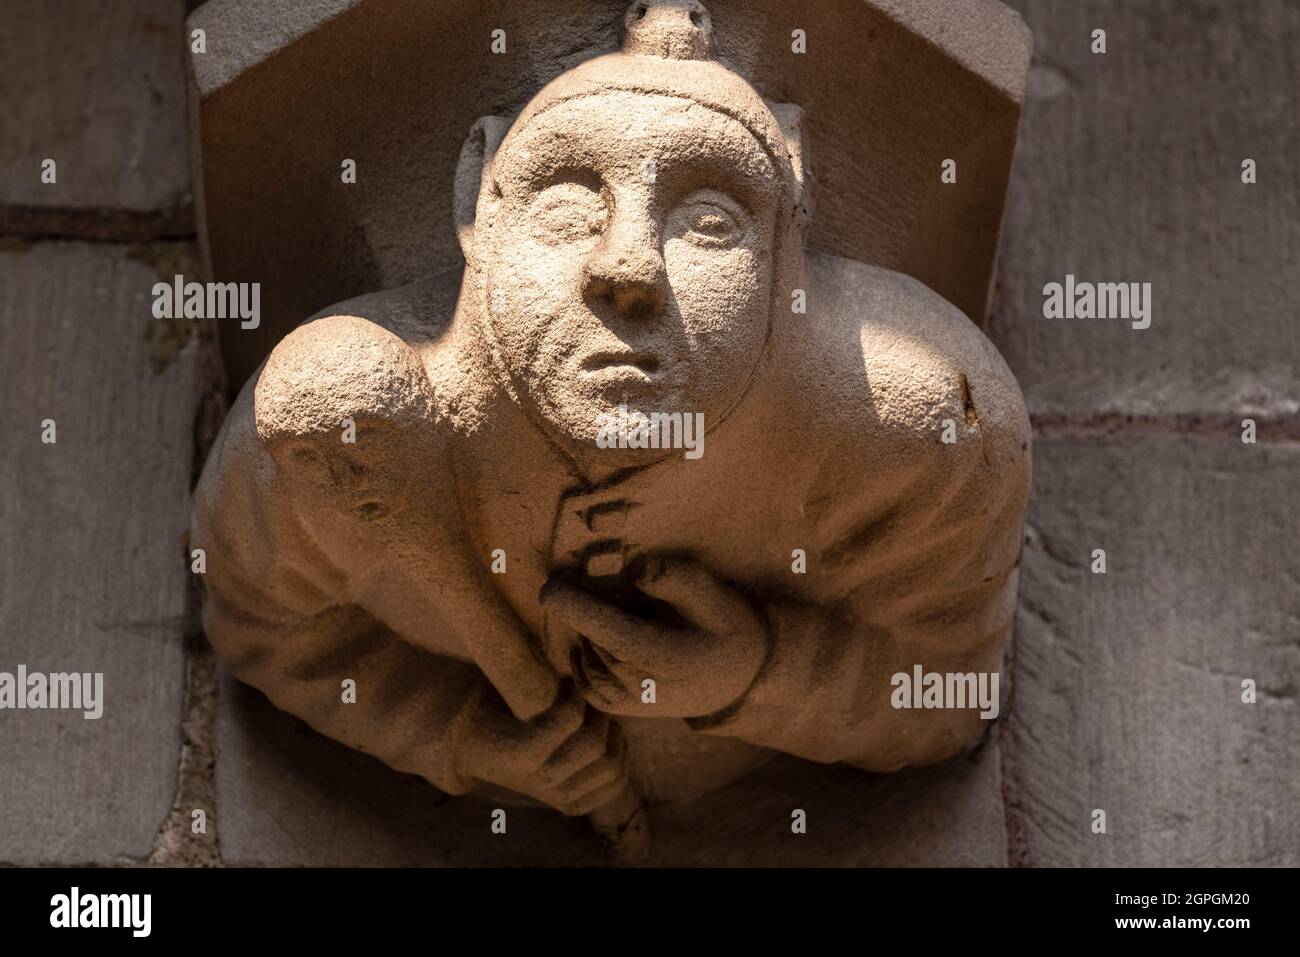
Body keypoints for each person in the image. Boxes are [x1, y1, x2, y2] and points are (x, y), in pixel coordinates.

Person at [191, 0, 1030, 846]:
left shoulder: (917, 436)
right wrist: (461, 736)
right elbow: (262, 628)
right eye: (565, 209)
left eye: (709, 223)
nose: (628, 264)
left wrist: (768, 675)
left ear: (787, 241)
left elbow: (953, 690)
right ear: (475, 208)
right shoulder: (339, 436)